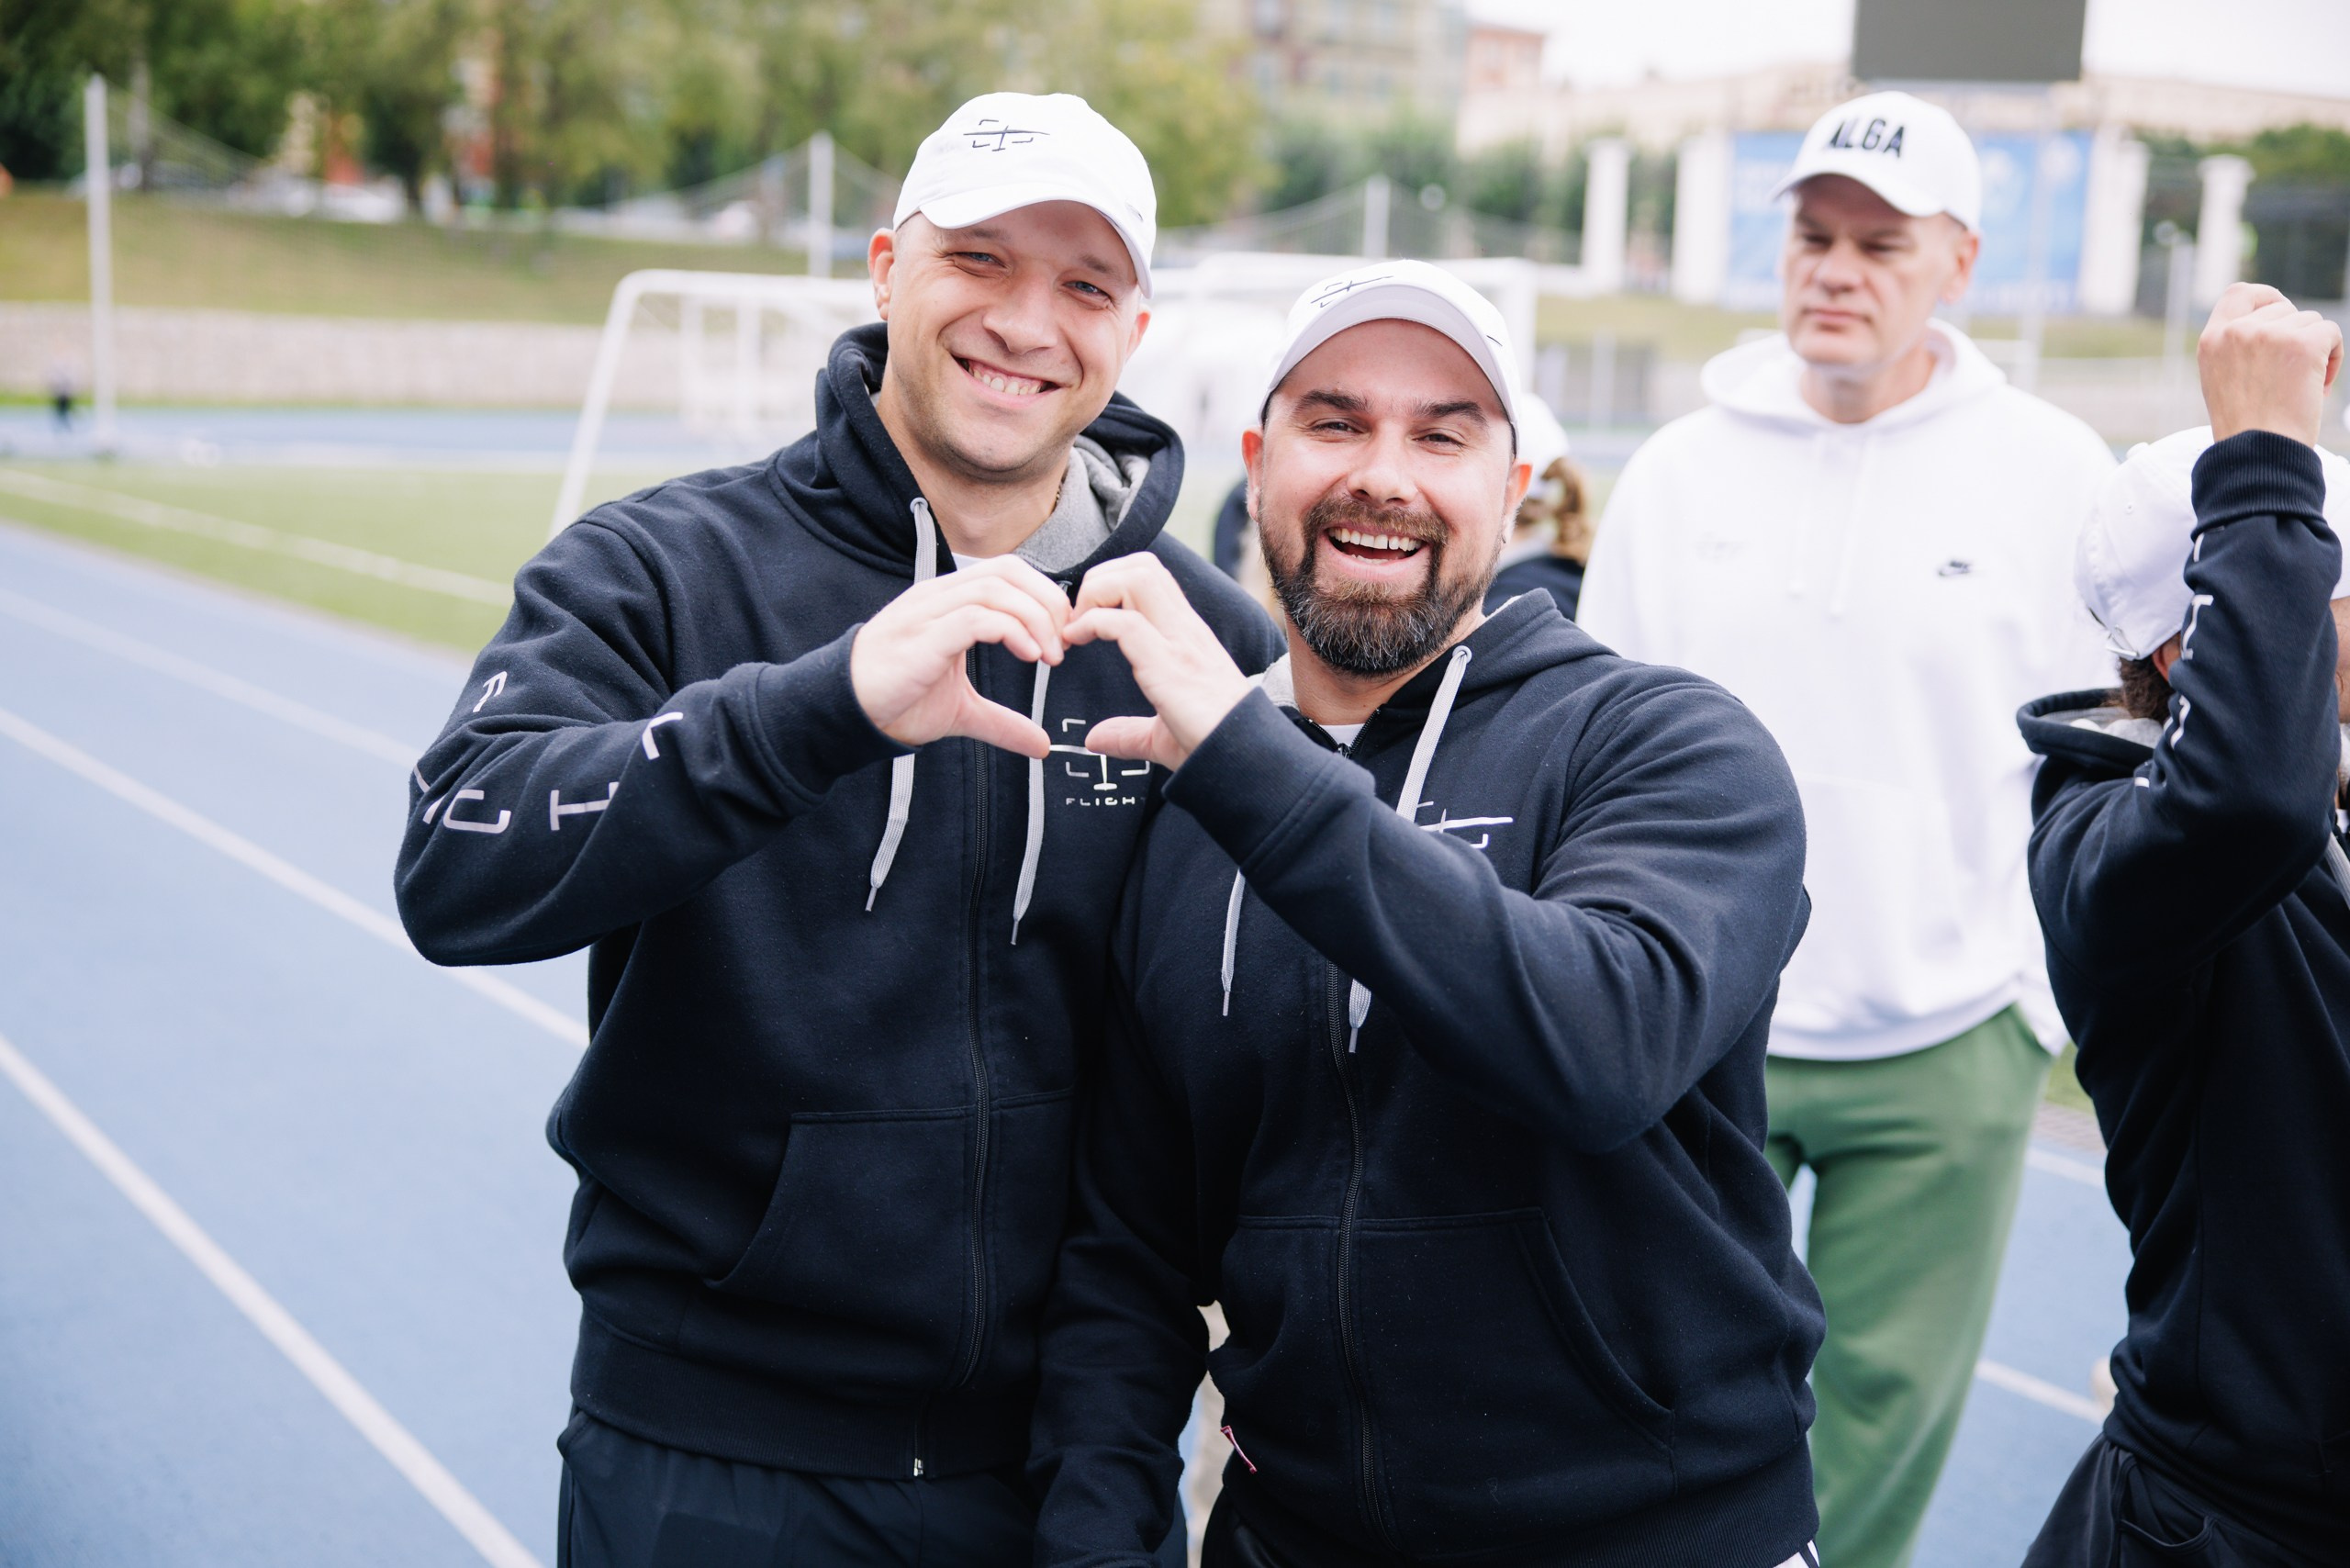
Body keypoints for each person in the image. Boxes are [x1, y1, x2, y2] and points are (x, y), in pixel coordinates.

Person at [393, 93, 1278, 1567]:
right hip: (705, 1451)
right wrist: (825, 707)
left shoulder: (1202, 644)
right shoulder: (661, 567)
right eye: (978, 261)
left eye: (1082, 285)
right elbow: (456, 862)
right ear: (884, 269)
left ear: (1134, 327)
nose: (1025, 321)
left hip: (1054, 1479)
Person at [1028, 259, 1824, 1568]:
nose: (1381, 474)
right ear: (1260, 462)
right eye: (1334, 423)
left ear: (1511, 493)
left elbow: (1596, 1045)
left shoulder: (1667, 745)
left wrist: (1244, 758)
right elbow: (1127, 1258)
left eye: (1441, 434)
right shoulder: (1187, 813)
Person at [1575, 91, 2120, 1568]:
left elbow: (2104, 754)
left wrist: (2022, 1002)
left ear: (1961, 259)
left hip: (1946, 1042)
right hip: (1696, 1029)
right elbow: (1598, 746)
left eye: (1881, 244)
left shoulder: (2057, 471)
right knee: (1642, 1398)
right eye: (1815, 237)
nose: (1836, 269)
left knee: (1878, 1440)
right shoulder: (1683, 469)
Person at [2016, 283, 2348, 1568]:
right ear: (2192, 644)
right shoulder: (2111, 847)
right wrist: (2264, 461)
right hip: (2230, 1521)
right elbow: (2250, 797)